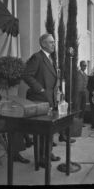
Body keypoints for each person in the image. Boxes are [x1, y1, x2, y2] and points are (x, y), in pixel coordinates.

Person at [23, 33, 62, 168]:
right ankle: (40, 159)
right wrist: (40, 89)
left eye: (54, 42)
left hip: (49, 99)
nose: (53, 44)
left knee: (49, 129)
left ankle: (48, 153)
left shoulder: (49, 58)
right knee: (40, 131)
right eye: (51, 42)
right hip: (39, 99)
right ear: (43, 44)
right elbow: (26, 75)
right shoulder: (37, 57)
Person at [0, 73, 30, 164]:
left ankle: (20, 147)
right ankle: (15, 154)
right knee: (15, 124)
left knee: (16, 121)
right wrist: (9, 108)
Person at [75, 60, 88, 127]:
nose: (85, 67)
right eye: (83, 65)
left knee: (83, 107)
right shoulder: (77, 73)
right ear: (80, 66)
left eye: (85, 65)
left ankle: (81, 122)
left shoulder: (86, 75)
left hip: (84, 92)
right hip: (78, 92)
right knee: (78, 107)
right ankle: (76, 122)